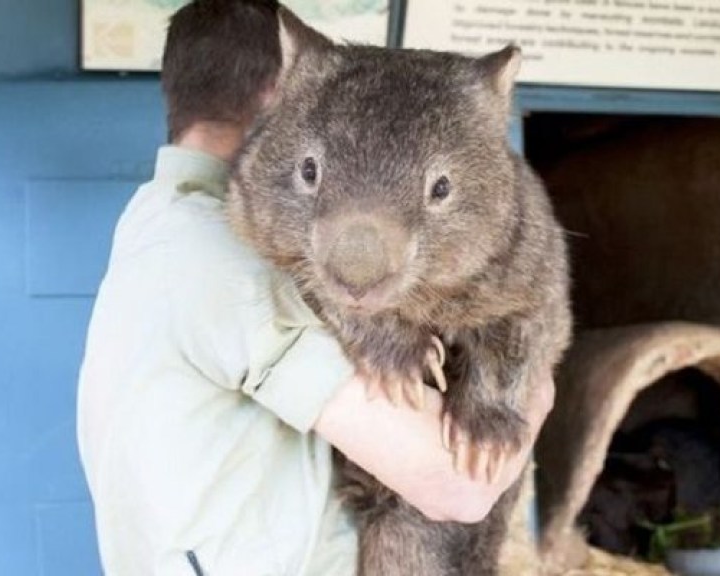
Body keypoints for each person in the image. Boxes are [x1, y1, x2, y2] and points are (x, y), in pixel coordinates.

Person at [76, 0, 555, 574]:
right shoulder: (222, 256)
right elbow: (456, 485)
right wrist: (538, 388)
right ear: (282, 98)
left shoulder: (157, 220)